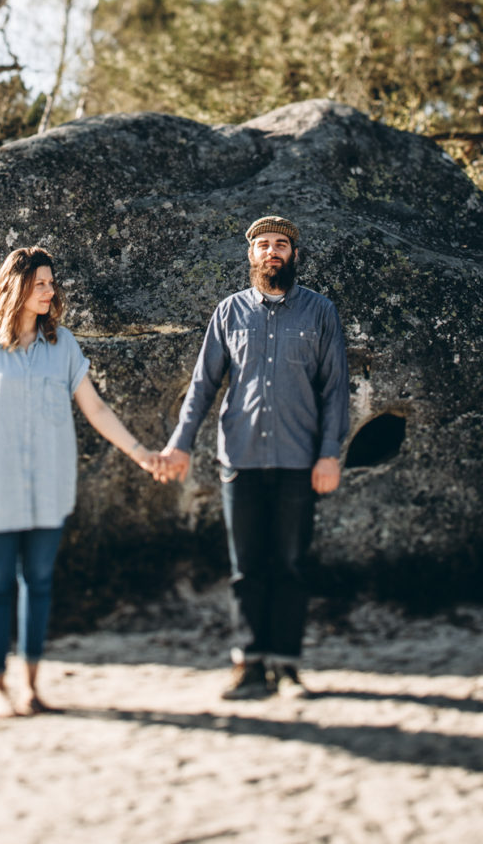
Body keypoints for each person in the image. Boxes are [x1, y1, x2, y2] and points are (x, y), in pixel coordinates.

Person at [0, 245, 157, 719]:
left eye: (51, 282)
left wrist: (140, 453)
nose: (50, 290)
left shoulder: (62, 344)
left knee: (40, 583)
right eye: (41, 283)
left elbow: (96, 409)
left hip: (51, 486)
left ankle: (30, 686)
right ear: (18, 286)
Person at [157, 215, 349, 700]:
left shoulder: (320, 312)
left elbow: (335, 392)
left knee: (289, 564)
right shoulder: (228, 313)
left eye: (280, 245)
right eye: (262, 245)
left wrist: (329, 455)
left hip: (298, 461)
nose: (271, 252)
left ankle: (285, 667)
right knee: (246, 568)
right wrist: (180, 442)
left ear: (294, 255)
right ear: (250, 256)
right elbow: (202, 386)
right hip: (239, 460)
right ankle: (248, 664)